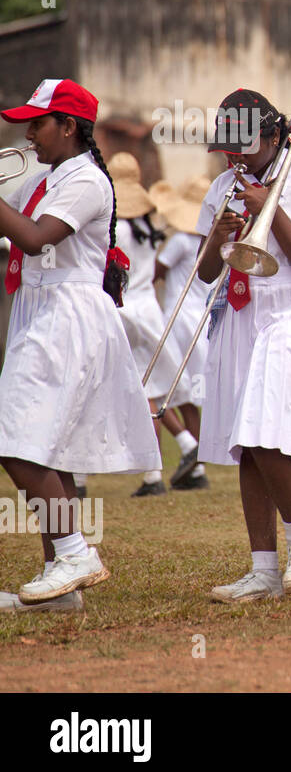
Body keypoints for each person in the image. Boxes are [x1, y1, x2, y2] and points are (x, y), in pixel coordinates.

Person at [0, 79, 161, 612]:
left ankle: (75, 552)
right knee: (50, 447)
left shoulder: (86, 180)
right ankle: (57, 581)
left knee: (16, 438)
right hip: (40, 310)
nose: (28, 133)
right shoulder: (47, 179)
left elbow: (34, 237)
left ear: (68, 126)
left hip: (65, 315)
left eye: (38, 123)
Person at [197, 88, 291, 602]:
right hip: (240, 314)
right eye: (228, 148)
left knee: (266, 429)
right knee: (247, 444)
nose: (235, 158)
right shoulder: (222, 186)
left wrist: (270, 209)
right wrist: (220, 233)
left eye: (245, 146)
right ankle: (263, 569)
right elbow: (207, 271)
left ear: (275, 136)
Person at [106, 152, 202, 497]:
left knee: (128, 388)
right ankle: (178, 450)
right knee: (148, 389)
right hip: (149, 310)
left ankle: (151, 471)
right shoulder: (147, 227)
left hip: (122, 309)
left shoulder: (113, 228)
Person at [149, 174, 213, 490]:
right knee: (189, 394)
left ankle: (185, 456)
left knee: (167, 388)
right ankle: (196, 465)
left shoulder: (178, 242)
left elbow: (154, 274)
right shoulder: (207, 241)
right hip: (199, 318)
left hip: (176, 317)